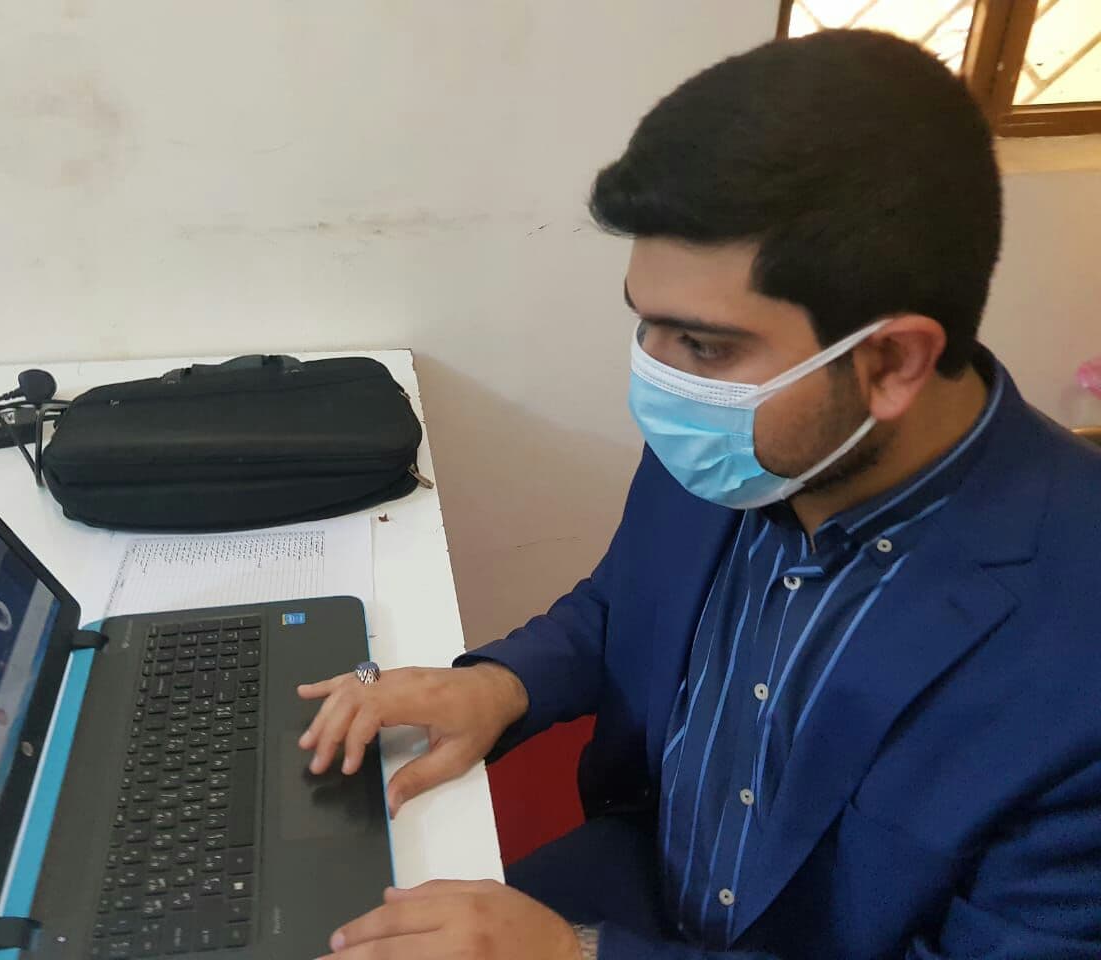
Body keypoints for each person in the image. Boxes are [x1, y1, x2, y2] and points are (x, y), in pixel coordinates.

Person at [297, 29, 1101, 960]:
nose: (658, 380)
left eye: (704, 346)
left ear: (889, 361)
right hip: (639, 875)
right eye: (645, 325)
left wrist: (577, 956)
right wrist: (499, 685)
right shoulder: (758, 440)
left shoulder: (1071, 665)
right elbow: (624, 604)